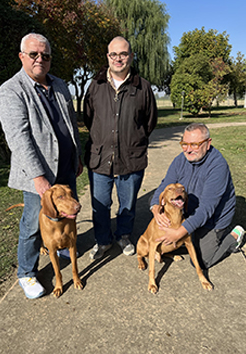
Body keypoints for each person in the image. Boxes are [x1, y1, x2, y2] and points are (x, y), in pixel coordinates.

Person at [0, 33, 83, 299]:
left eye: (45, 55)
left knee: (67, 216)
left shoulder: (59, 84)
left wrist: (77, 156)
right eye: (33, 54)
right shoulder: (11, 91)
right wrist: (37, 177)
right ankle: (27, 272)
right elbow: (19, 138)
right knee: (33, 225)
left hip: (66, 169)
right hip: (39, 175)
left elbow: (71, 124)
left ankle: (59, 246)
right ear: (22, 56)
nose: (40, 59)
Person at [83, 36, 157, 260]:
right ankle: (103, 240)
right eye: (113, 54)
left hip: (131, 159)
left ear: (131, 56)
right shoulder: (95, 85)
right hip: (99, 159)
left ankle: (123, 235)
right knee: (100, 205)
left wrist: (133, 139)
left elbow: (149, 121)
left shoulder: (142, 86)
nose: (118, 58)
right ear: (108, 57)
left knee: (128, 204)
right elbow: (88, 118)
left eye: (123, 54)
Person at [150, 122, 245, 270]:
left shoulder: (218, 166)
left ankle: (233, 237)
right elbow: (165, 185)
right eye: (184, 144)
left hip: (213, 219)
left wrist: (179, 233)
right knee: (163, 238)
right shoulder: (180, 160)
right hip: (188, 211)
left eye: (194, 145)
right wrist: (155, 207)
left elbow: (206, 209)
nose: (188, 150)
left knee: (201, 262)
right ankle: (191, 234)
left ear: (208, 144)